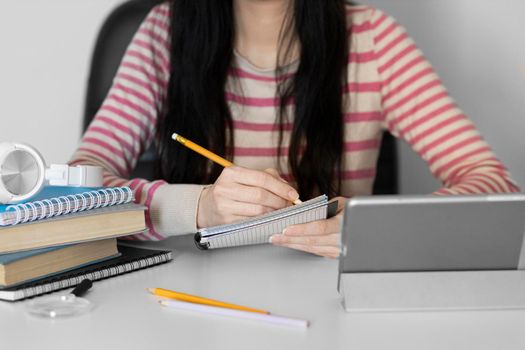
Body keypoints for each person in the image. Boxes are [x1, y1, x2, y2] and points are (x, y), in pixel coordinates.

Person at [70, 0, 519, 258]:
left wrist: (369, 229)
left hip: (329, 303)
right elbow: (77, 186)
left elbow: (495, 186)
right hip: (184, 303)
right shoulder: (162, 35)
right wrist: (199, 206)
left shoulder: (375, 39)